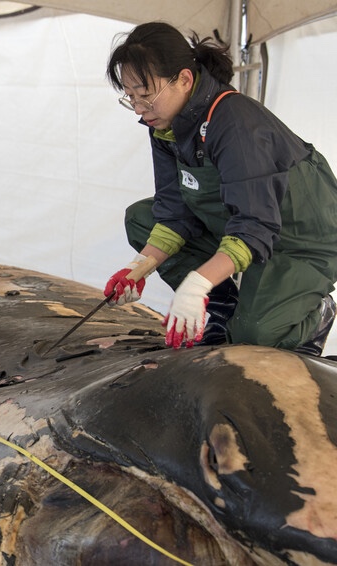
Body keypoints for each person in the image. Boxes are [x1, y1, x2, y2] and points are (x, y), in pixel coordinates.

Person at [102, 21, 337, 354]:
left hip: (296, 239)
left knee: (254, 336)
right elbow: (173, 213)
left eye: (145, 95)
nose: (139, 109)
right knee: (141, 218)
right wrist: (138, 268)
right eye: (130, 98)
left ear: (183, 79)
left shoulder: (235, 122)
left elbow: (255, 224)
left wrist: (196, 283)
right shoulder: (166, 127)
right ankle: (222, 304)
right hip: (239, 223)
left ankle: (315, 313)